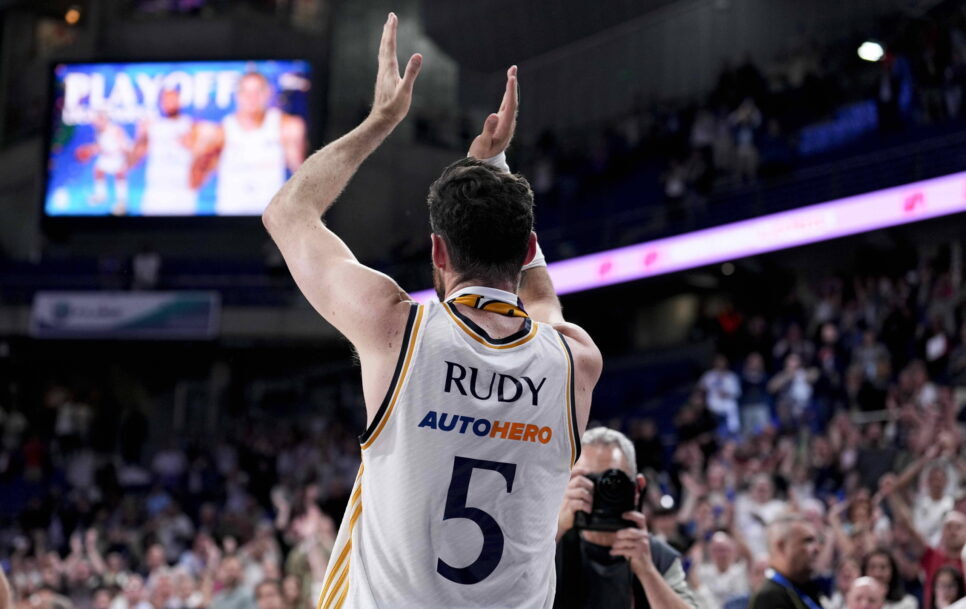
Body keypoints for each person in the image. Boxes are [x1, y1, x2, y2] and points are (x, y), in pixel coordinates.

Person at [262, 13, 601, 609]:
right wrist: (493, 170)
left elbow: (288, 213)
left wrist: (381, 120)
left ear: (437, 251)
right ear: (526, 249)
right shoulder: (573, 358)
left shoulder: (397, 328)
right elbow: (542, 298)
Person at [554, 427, 698, 609]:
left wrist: (648, 572)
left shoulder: (657, 555)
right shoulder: (548, 546)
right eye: (589, 480)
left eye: (613, 481)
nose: (600, 491)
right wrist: (555, 531)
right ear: (569, 482)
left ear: (637, 487)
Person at [195, 72, 306, 215]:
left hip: (270, 221)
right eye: (246, 92)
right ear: (238, 96)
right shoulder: (221, 132)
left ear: (268, 93)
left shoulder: (286, 127)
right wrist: (201, 151)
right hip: (230, 219)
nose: (252, 98)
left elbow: (304, 181)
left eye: (258, 91)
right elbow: (195, 183)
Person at [129, 87, 202, 216]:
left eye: (173, 98)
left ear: (180, 101)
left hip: (183, 194)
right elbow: (132, 162)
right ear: (161, 103)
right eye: (166, 100)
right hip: (156, 195)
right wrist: (140, 137)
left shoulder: (192, 126)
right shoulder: (153, 126)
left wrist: (191, 144)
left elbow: (204, 159)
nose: (170, 102)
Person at [748, 514, 823, 609]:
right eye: (807, 541)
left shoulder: (808, 588)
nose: (817, 549)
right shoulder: (769, 597)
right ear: (781, 547)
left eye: (818, 541)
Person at [75, 111, 132, 216]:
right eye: (95, 122)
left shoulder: (115, 130)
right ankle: (101, 196)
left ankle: (122, 203)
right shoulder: (98, 131)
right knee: (98, 171)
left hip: (117, 156)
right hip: (106, 157)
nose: (95, 123)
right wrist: (90, 150)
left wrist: (126, 156)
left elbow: (125, 145)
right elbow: (100, 146)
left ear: (103, 120)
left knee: (120, 176)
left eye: (98, 120)